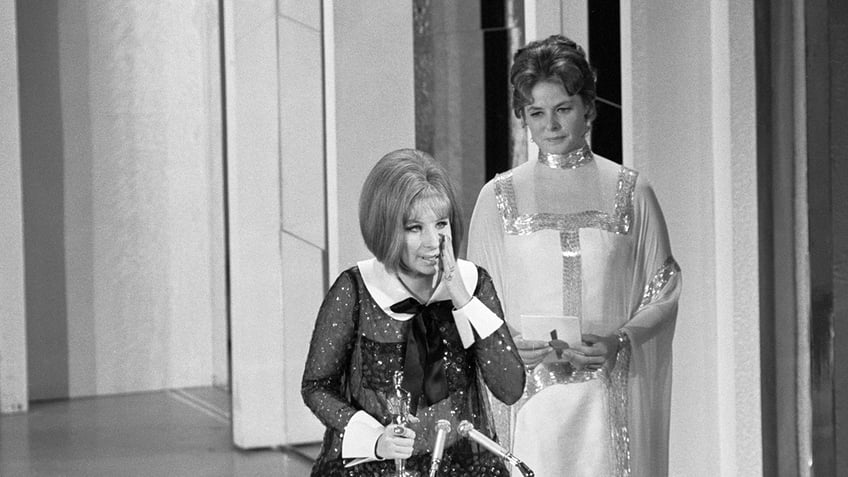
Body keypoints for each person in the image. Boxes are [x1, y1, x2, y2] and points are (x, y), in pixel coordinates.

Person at [467, 35, 681, 477]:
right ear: (523, 118)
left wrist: (618, 341)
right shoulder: (498, 197)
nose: (551, 125)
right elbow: (473, 302)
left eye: (563, 108)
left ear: (588, 106)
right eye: (536, 113)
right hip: (531, 409)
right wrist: (502, 346)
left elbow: (663, 291)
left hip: (607, 405)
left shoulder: (630, 191)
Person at [302, 149, 526, 476]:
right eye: (414, 228)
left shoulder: (473, 284)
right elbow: (317, 386)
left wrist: (462, 298)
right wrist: (374, 439)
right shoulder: (357, 289)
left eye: (440, 224)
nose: (432, 242)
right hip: (377, 467)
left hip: (461, 467)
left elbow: (510, 388)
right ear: (387, 229)